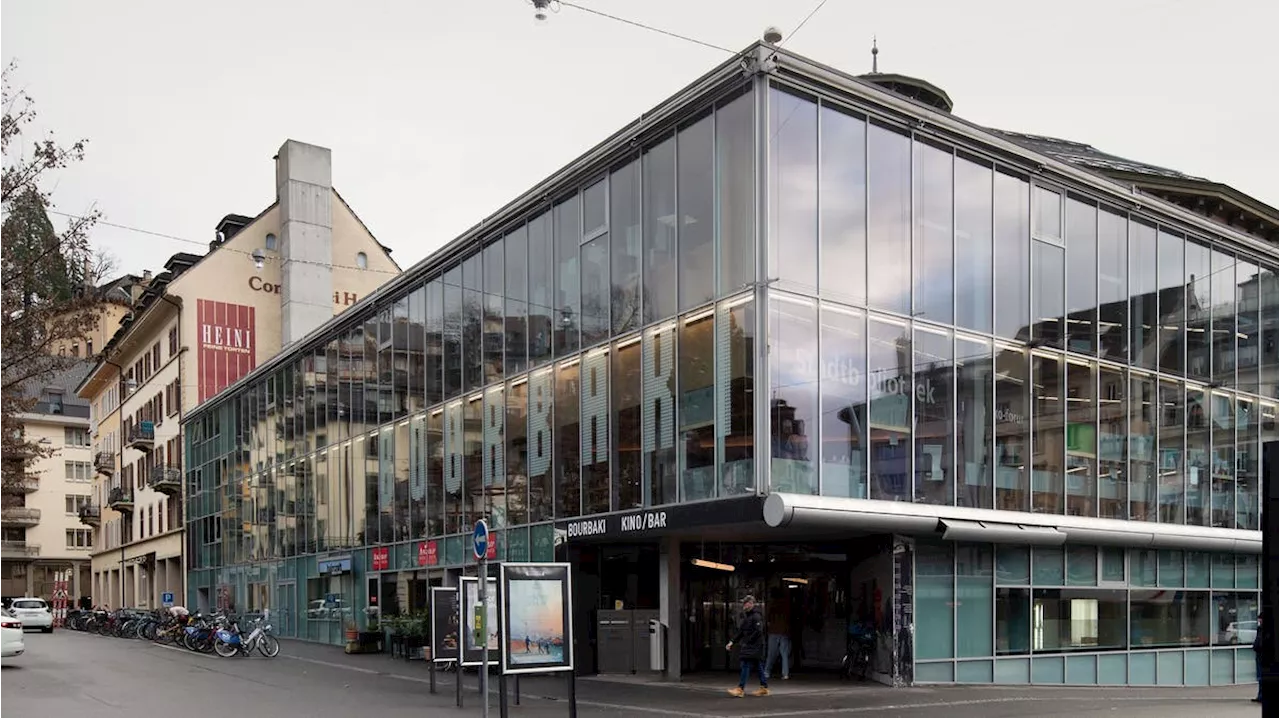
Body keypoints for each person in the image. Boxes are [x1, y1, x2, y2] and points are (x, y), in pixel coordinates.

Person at [725, 595, 768, 697]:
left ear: (751, 604)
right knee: (758, 665)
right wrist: (732, 641)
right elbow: (741, 632)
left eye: (746, 603)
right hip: (753, 645)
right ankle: (764, 687)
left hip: (754, 646)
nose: (744, 605)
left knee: (745, 664)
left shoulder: (756, 616)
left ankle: (740, 689)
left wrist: (748, 641)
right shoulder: (748, 617)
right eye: (743, 603)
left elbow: (758, 631)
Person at [764, 591, 792, 681]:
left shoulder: (772, 605)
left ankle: (767, 671)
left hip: (773, 630)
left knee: (771, 653)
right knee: (784, 654)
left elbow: (767, 618)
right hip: (784, 631)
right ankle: (785, 673)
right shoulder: (786, 605)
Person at [1254, 611, 1271, 704]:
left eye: (1260, 618)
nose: (1259, 620)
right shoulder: (1260, 628)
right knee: (1260, 677)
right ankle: (1260, 695)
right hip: (1259, 654)